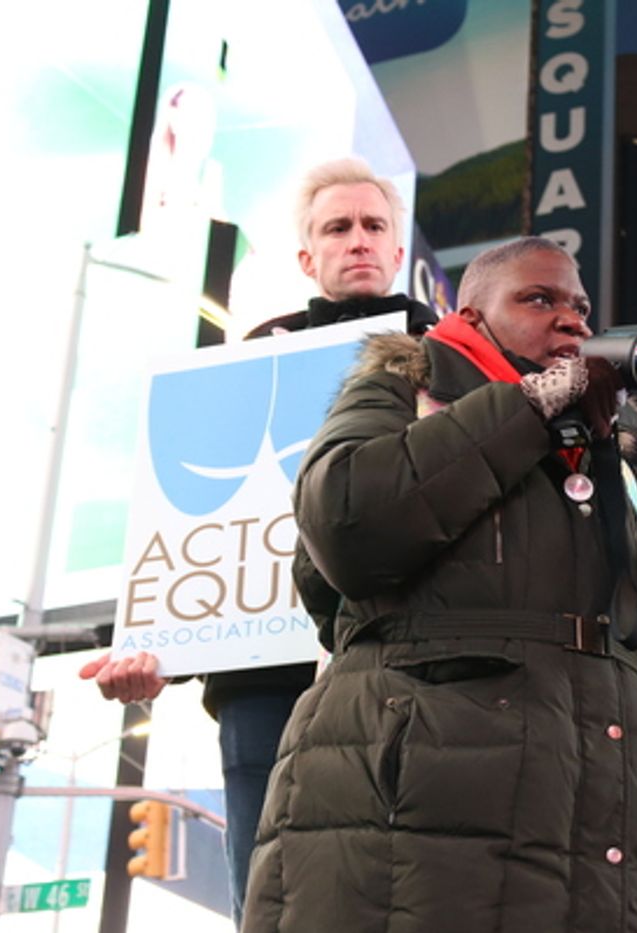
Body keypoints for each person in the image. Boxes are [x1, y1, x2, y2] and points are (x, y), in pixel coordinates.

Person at [240, 236, 637, 932]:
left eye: (580, 306)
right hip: (420, 834)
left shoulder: (610, 466)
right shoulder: (406, 388)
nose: (571, 319)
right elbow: (348, 523)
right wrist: (535, 402)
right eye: (539, 299)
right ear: (473, 319)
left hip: (603, 854)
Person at [80, 156, 435, 928]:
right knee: (271, 899)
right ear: (307, 257)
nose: (358, 240)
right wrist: (152, 647)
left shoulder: (446, 351)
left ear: (398, 248)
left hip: (410, 660)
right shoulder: (253, 354)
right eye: (337, 227)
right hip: (264, 679)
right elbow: (206, 523)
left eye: (374, 225)